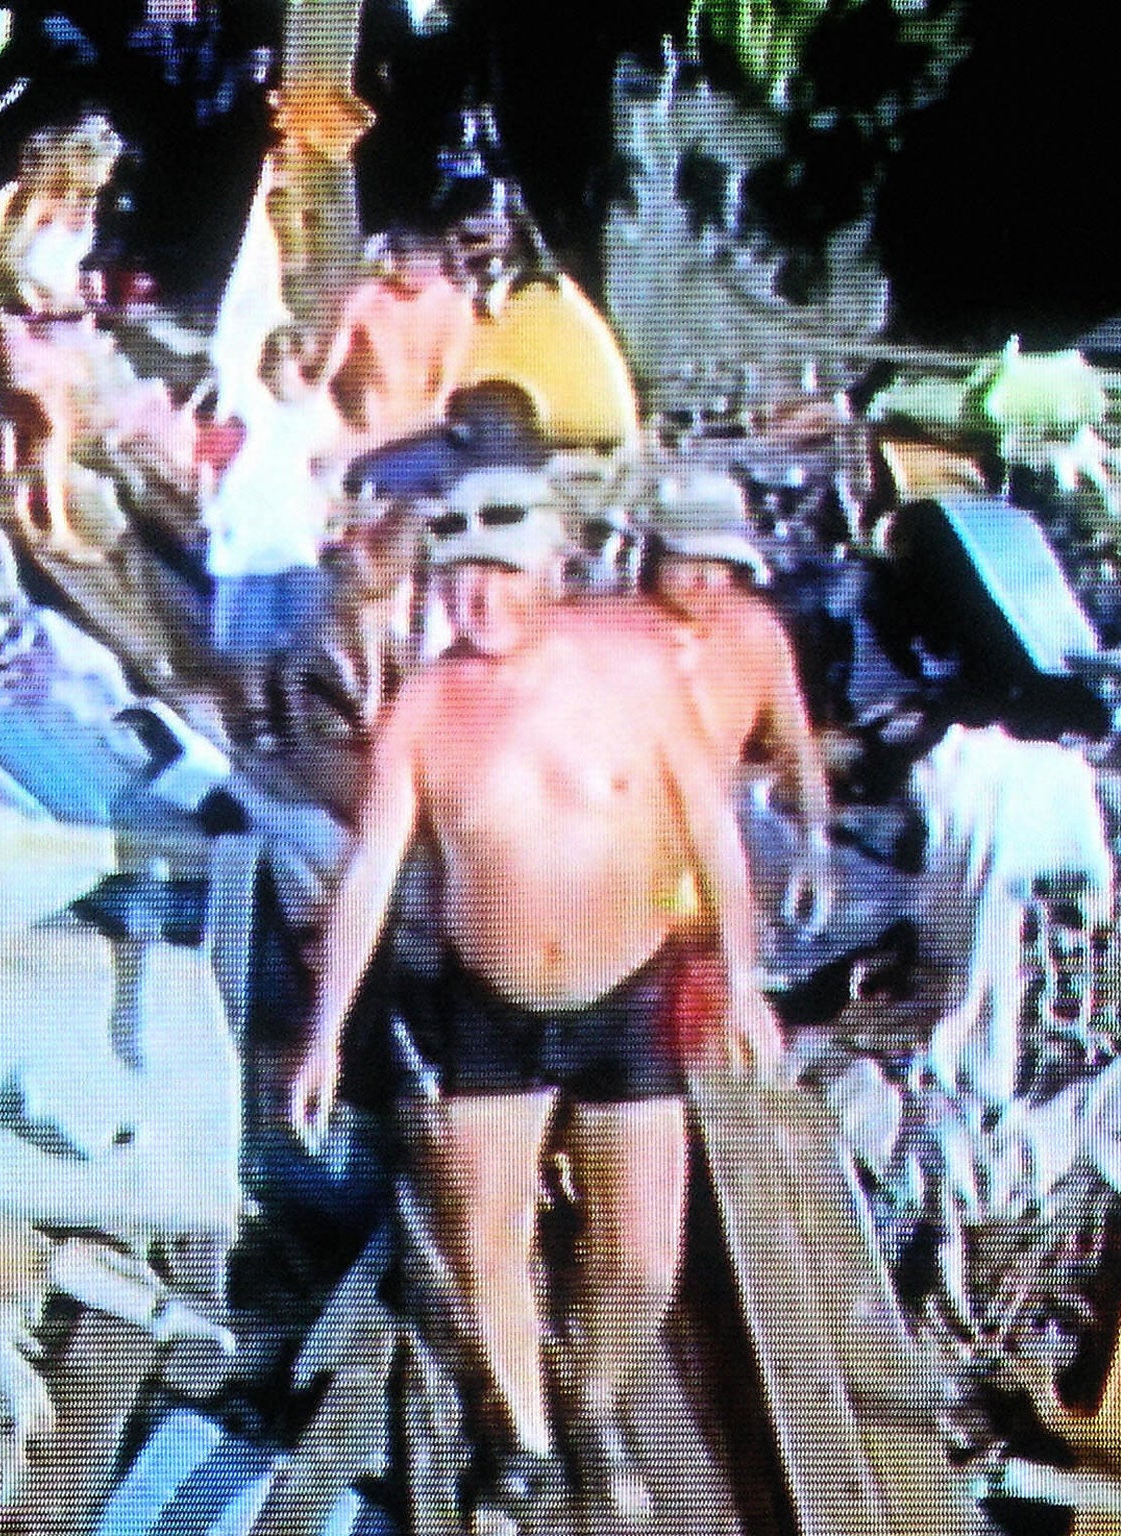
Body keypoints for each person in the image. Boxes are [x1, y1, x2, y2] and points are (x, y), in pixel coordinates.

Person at [289, 468, 778, 1521]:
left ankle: (593, 1399)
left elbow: (710, 827)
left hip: (625, 995)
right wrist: (326, 1033)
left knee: (643, 1257)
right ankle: (521, 1429)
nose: (478, 599)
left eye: (501, 573)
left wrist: (740, 979)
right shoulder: (424, 706)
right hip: (490, 1007)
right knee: (484, 1238)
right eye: (457, 576)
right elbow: (370, 871)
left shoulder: (634, 670)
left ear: (554, 570)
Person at [644, 470, 835, 933]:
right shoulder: (615, 637)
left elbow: (796, 747)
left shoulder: (755, 632)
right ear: (656, 559)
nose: (706, 579)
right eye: (690, 560)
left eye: (720, 563)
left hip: (720, 840)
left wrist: (814, 844)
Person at [202, 325, 345, 745]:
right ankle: (256, 710)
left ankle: (292, 703)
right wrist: (212, 507)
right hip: (248, 528)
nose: (281, 373)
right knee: (250, 626)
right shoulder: (247, 404)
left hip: (293, 531)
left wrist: (327, 508)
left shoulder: (318, 413)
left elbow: (327, 468)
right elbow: (213, 458)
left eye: (289, 364)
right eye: (274, 364)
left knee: (298, 621)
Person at [316, 226, 474, 449]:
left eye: (427, 257)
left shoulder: (454, 305)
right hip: (357, 425)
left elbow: (445, 393)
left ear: (438, 257)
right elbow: (332, 354)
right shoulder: (369, 295)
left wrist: (414, 431)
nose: (418, 267)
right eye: (406, 257)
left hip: (416, 435)